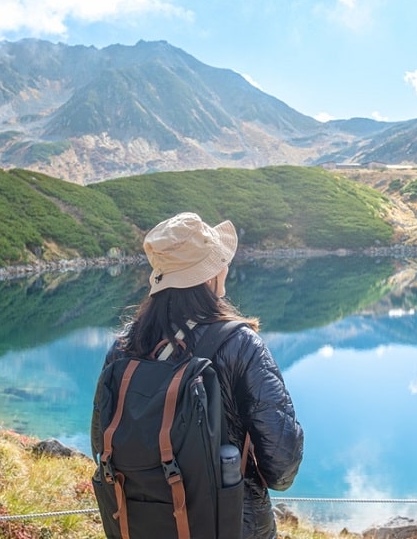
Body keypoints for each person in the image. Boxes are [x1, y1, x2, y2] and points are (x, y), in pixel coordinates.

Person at [92, 211, 304, 539]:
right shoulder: (240, 343)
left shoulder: (123, 347)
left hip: (142, 524)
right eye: (221, 261)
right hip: (232, 526)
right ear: (210, 277)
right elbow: (281, 466)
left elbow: (101, 442)